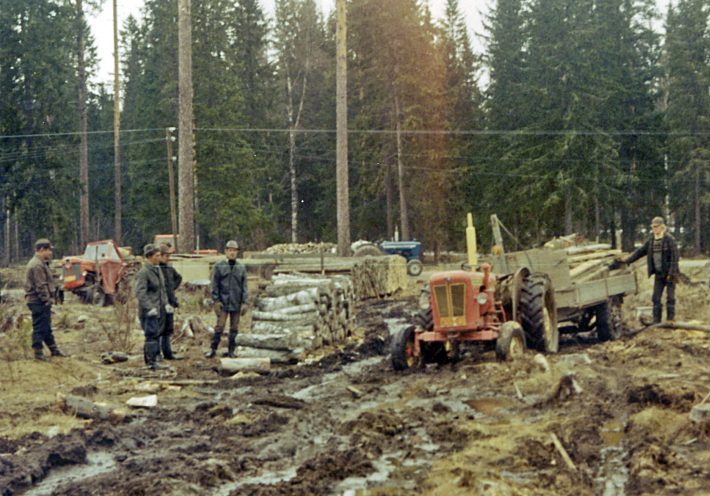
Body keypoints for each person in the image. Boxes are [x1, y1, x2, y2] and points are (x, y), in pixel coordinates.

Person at [621, 216, 679, 323]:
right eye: (653, 227)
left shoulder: (670, 239)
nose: (654, 229)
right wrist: (628, 260)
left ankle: (670, 319)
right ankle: (657, 320)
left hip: (670, 274)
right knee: (656, 298)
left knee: (670, 298)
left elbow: (675, 258)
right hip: (658, 274)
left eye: (656, 227)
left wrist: (671, 273)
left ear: (662, 227)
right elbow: (641, 251)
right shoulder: (651, 240)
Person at [206, 240, 248, 358]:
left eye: (234, 250)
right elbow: (214, 284)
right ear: (226, 251)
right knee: (220, 326)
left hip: (236, 302)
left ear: (237, 252)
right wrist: (216, 300)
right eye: (230, 250)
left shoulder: (241, 268)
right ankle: (213, 349)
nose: (232, 253)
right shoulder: (219, 266)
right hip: (223, 302)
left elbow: (244, 286)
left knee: (234, 327)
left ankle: (231, 350)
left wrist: (245, 302)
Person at [24, 238, 65, 361]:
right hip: (38, 301)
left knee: (46, 326)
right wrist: (47, 300)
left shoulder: (39, 263)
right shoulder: (37, 265)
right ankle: (38, 353)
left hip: (38, 300)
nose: (50, 253)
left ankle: (54, 350)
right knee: (40, 327)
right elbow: (41, 285)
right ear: (42, 249)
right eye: (48, 250)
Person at [135, 244, 168, 370]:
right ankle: (150, 362)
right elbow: (140, 293)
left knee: (156, 334)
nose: (159, 258)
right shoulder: (144, 272)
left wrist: (165, 304)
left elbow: (162, 290)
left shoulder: (157, 270)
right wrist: (149, 307)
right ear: (149, 257)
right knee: (151, 336)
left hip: (159, 309)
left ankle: (155, 359)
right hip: (149, 312)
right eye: (157, 255)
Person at [158, 243, 183, 360]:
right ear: (160, 255)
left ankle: (167, 353)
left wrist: (172, 289)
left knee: (168, 329)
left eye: (168, 256)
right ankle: (157, 354)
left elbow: (179, 278)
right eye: (166, 256)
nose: (168, 258)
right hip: (159, 304)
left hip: (170, 302)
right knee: (159, 330)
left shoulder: (169, 269)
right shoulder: (156, 269)